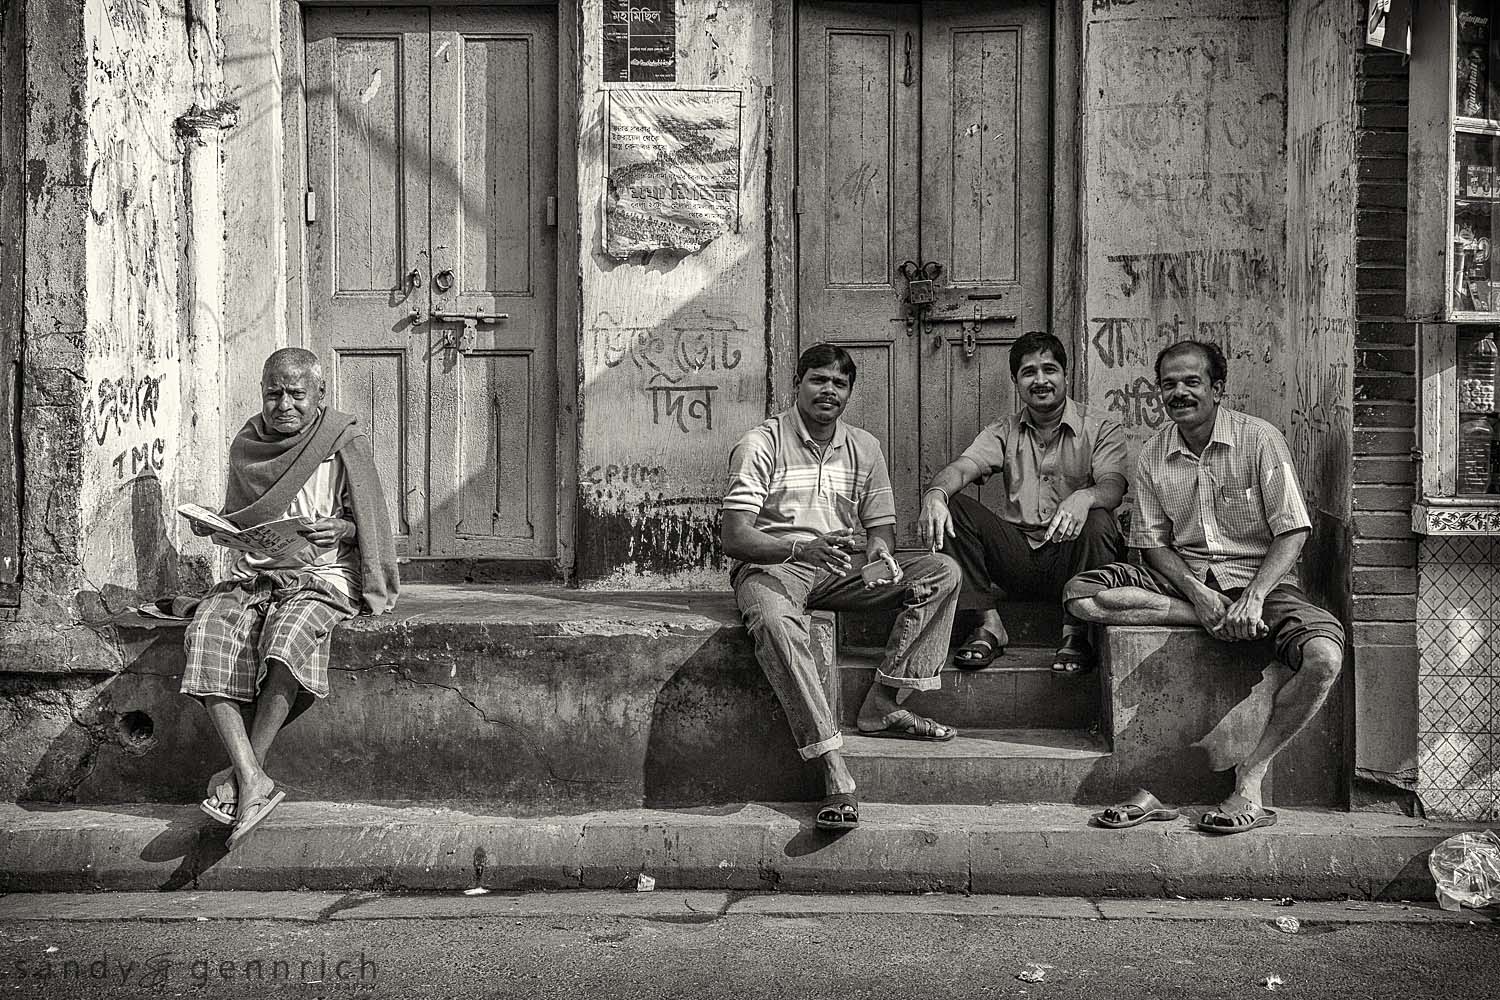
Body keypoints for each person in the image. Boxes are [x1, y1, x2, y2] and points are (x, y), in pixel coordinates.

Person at [1062, 340, 1344, 834]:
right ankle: (1215, 620)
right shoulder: (1153, 456)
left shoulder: (1260, 439)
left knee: (1325, 658)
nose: (1179, 392)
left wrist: (1253, 596)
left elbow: (1293, 531)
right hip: (1191, 584)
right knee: (1081, 595)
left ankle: (1250, 777)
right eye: (1169, 384)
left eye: (1191, 382)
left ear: (1217, 388)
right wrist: (1200, 596)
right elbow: (1153, 546)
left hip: (1263, 583)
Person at [721, 344, 962, 831]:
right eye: (818, 380)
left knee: (941, 571)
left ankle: (883, 703)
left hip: (840, 566)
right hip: (778, 566)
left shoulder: (864, 446)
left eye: (839, 383)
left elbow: (881, 527)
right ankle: (832, 765)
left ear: (849, 392)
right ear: (797, 384)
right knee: (773, 624)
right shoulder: (762, 442)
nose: (828, 390)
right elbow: (734, 536)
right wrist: (797, 550)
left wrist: (879, 551)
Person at [181, 348, 398, 848]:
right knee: (209, 630)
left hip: (324, 573)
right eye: (273, 394)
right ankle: (253, 777)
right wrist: (216, 528)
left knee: (285, 637)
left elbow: (370, 522)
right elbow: (241, 520)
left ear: (319, 396)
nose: (284, 405)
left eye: (297, 394)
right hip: (258, 571)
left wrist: (340, 528)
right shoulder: (248, 444)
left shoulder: (344, 440)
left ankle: (243, 775)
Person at [918, 331, 1127, 675]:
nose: (1040, 380)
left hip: (1074, 556)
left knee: (1099, 519)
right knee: (952, 506)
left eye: (1049, 369)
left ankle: (1075, 631)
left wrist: (1085, 496)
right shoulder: (1005, 430)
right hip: (1019, 558)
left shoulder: (1100, 426)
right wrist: (935, 495)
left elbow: (1113, 486)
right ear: (1016, 380)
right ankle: (988, 624)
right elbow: (961, 468)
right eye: (1029, 372)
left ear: (1065, 374)